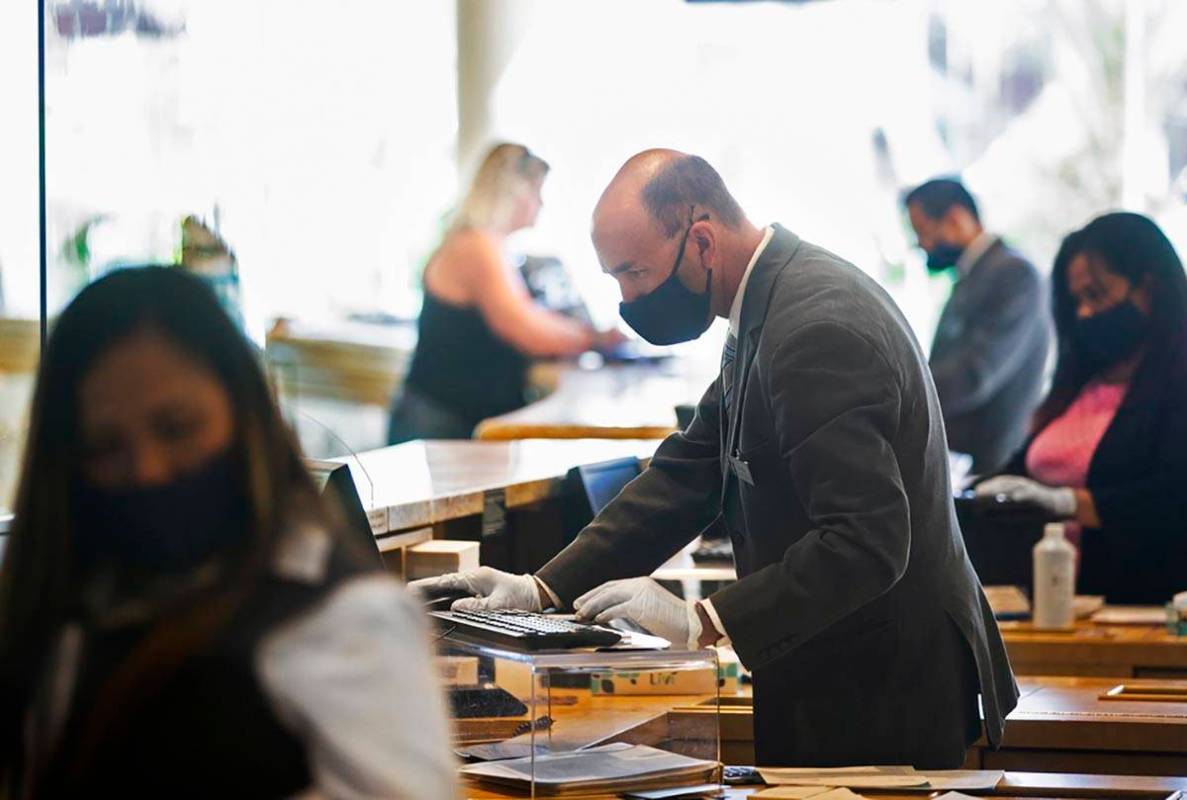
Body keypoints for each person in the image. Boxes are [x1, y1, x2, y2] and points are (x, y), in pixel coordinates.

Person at [412, 150, 1018, 768]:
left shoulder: (813, 327)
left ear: (701, 240)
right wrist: (539, 589)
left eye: (635, 273)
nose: (627, 299)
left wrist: (702, 619)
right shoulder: (769, 301)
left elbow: (867, 542)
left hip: (884, 685)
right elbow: (687, 473)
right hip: (838, 662)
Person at [0, 267, 456, 798]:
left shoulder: (337, 618)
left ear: (243, 412)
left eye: (177, 428)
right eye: (105, 447)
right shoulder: (70, 605)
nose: (147, 469)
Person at [975, 212, 1187, 604]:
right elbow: (1020, 471)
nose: (1085, 314)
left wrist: (1070, 503)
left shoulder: (1177, 381)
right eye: (1077, 302)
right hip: (1055, 608)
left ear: (1149, 287)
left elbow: (1173, 496)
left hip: (1143, 609)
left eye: (1097, 294)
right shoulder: (1079, 385)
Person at [389, 143, 612, 443]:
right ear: (513, 191)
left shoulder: (487, 245)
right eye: (536, 192)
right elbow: (526, 329)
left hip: (451, 415)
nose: (541, 204)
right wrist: (595, 338)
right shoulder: (476, 246)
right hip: (441, 420)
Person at [905, 178, 1049, 473]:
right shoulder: (976, 272)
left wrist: (903, 399)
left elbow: (975, 372)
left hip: (986, 462)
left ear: (956, 219)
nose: (920, 244)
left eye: (923, 231)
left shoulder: (1013, 273)